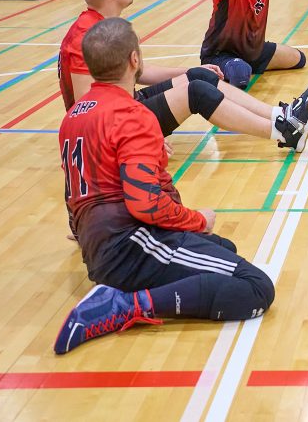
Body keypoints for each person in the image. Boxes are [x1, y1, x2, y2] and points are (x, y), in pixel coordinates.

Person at [53, 17, 276, 355]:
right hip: (130, 244)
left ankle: (124, 292)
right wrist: (197, 220)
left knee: (224, 248)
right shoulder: (132, 114)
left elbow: (74, 199)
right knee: (256, 287)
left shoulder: (72, 118)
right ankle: (124, 306)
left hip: (100, 250)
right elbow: (145, 203)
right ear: (134, 60)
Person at [58, 0, 308, 150]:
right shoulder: (85, 36)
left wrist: (190, 71)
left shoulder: (102, 25)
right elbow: (87, 108)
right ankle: (285, 132)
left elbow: (139, 73)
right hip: (113, 126)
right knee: (196, 93)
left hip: (126, 106)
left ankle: (280, 115)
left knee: (200, 76)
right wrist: (136, 138)